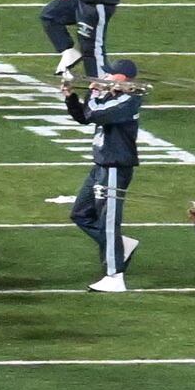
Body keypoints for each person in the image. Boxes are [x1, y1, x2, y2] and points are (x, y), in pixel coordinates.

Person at [64, 56, 143, 290]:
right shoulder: (113, 95)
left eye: (110, 74)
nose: (105, 77)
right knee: (80, 213)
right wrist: (71, 98)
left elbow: (96, 113)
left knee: (109, 221)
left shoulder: (129, 99)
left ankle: (114, 275)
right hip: (101, 164)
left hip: (115, 166)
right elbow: (84, 116)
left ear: (122, 78)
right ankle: (120, 246)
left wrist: (95, 93)